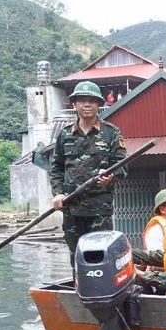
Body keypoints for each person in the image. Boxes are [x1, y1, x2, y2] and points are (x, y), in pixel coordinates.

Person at [50, 80, 127, 271]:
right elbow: (56, 167)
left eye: (92, 100)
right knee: (76, 256)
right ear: (74, 104)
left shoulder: (112, 133)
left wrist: (111, 176)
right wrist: (58, 193)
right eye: (82, 100)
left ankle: (101, 297)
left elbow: (122, 167)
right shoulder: (65, 134)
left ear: (98, 104)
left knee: (100, 255)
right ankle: (79, 293)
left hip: (99, 210)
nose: (87, 104)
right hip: (72, 209)